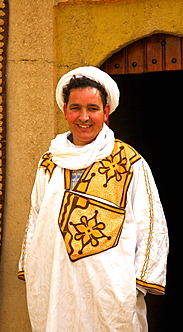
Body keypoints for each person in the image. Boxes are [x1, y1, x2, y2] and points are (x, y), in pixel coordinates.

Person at [18, 66, 169, 332]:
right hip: (56, 283)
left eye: (93, 108)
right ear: (65, 110)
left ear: (106, 112)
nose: (84, 117)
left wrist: (135, 286)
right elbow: (36, 219)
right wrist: (32, 270)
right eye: (76, 108)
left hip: (110, 291)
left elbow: (152, 224)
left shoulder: (129, 162)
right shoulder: (49, 163)